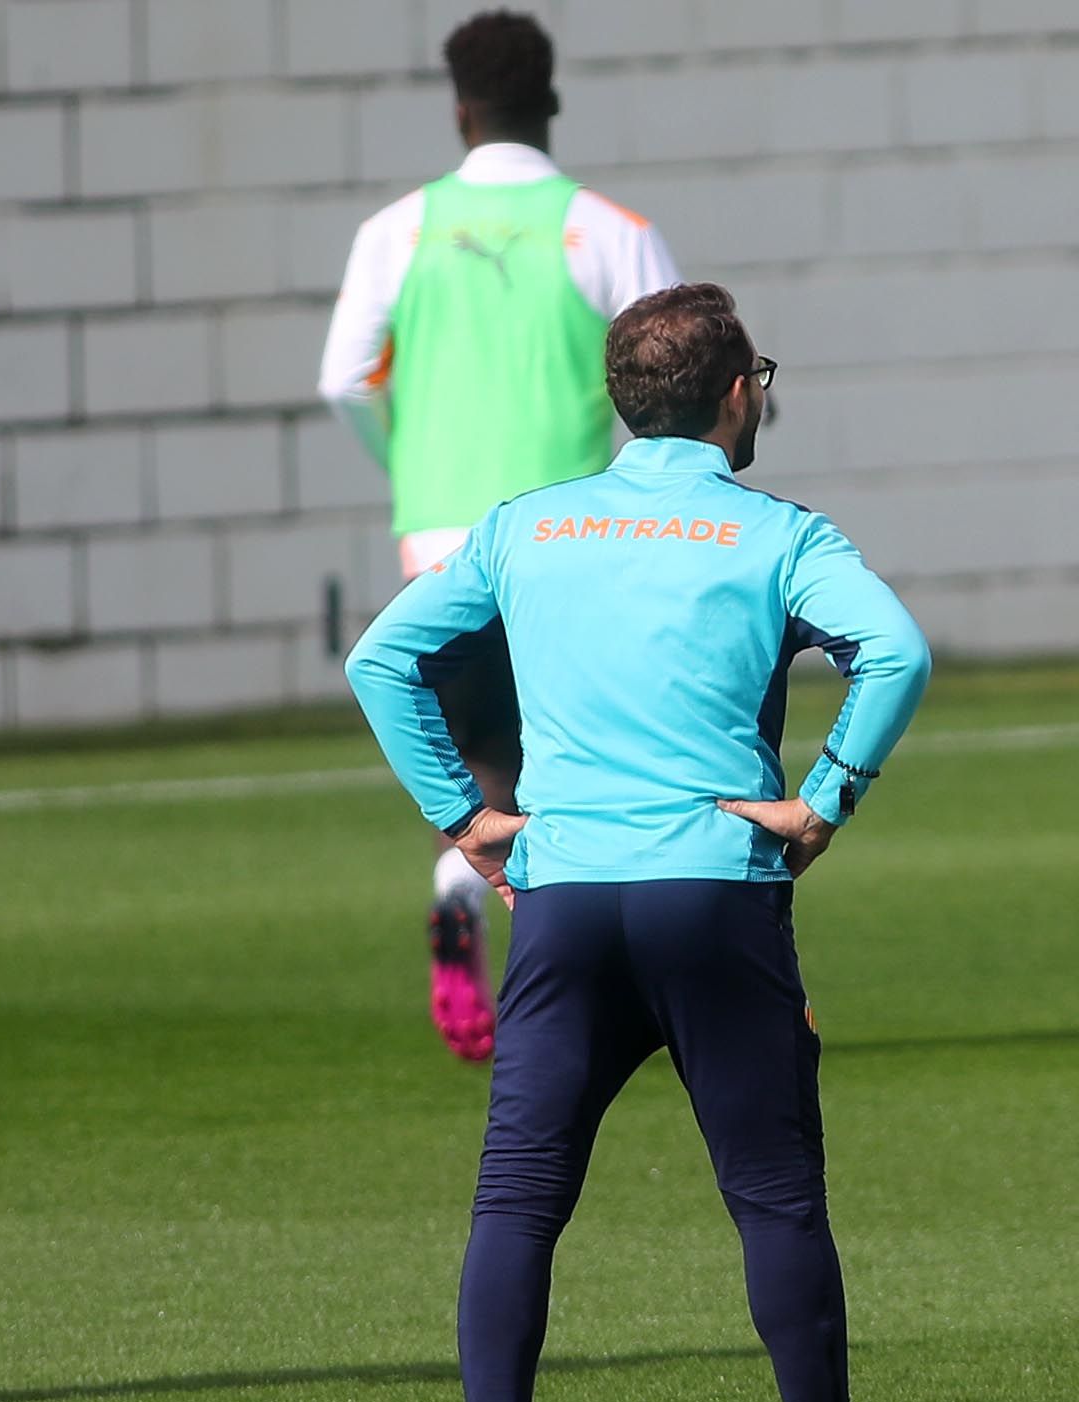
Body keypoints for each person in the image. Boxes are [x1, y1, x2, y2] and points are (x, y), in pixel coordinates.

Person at [345, 283, 962, 1402]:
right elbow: (894, 652)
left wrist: (463, 821)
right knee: (775, 1196)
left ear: (622, 403)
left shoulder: (529, 526)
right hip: (715, 890)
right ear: (739, 395)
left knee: (518, 1198)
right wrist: (826, 799)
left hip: (562, 899)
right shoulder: (778, 531)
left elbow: (380, 660)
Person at [319, 8, 681, 1063]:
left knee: (482, 755)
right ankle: (578, 991)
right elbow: (675, 362)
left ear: (460, 107)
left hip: (437, 536)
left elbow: (342, 377)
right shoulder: (607, 226)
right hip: (570, 538)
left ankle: (457, 886)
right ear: (550, 99)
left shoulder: (395, 229)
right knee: (579, 763)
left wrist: (409, 471)